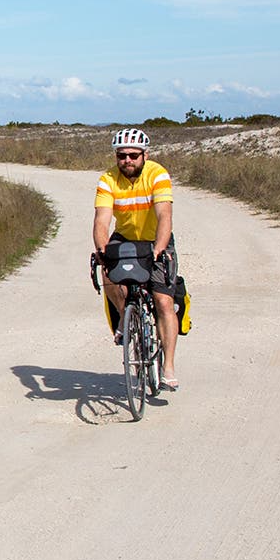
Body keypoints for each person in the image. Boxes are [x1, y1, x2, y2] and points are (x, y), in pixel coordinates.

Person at [90, 127, 181, 390]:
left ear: (144, 155)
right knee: (107, 271)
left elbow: (164, 215)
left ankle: (168, 367)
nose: (127, 160)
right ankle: (124, 317)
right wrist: (102, 249)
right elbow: (101, 221)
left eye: (133, 155)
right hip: (126, 237)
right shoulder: (108, 179)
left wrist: (159, 249)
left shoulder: (157, 174)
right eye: (121, 156)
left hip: (155, 239)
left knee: (163, 301)